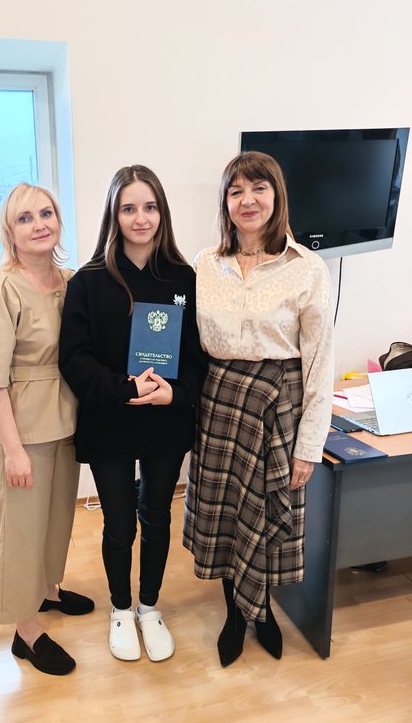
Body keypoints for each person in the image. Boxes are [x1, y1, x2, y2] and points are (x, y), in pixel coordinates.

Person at [183, 151, 334, 667]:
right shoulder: (205, 264)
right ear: (225, 202)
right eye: (236, 191)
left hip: (279, 406)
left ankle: (263, 610)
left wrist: (309, 446)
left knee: (269, 510)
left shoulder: (308, 268)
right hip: (219, 403)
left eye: (258, 188)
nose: (247, 200)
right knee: (226, 515)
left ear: (276, 196)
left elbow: (320, 363)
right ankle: (234, 612)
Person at [59, 165, 205, 662]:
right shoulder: (88, 281)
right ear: (114, 215)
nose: (140, 218)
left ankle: (148, 607)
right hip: (110, 422)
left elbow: (199, 358)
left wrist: (175, 393)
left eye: (150, 207)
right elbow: (74, 359)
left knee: (158, 517)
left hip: (165, 422)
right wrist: (124, 388)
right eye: (129, 208)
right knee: (119, 524)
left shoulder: (185, 278)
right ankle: (120, 609)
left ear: (162, 212)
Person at [0, 183, 94, 677]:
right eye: (25, 218)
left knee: (57, 520)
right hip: (23, 428)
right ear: (9, 230)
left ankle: (47, 591)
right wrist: (13, 449)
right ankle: (26, 630)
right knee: (21, 531)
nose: (39, 224)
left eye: (46, 214)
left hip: (67, 420)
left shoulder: (71, 282)